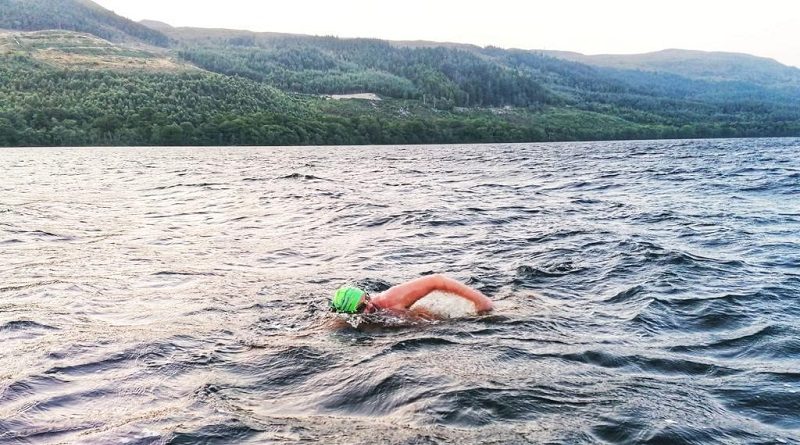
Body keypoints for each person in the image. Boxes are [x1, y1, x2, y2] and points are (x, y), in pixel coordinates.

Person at [330, 273, 493, 315]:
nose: (370, 305)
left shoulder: (389, 300)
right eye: (361, 307)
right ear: (351, 314)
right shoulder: (344, 323)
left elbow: (437, 280)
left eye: (367, 298)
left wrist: (480, 301)